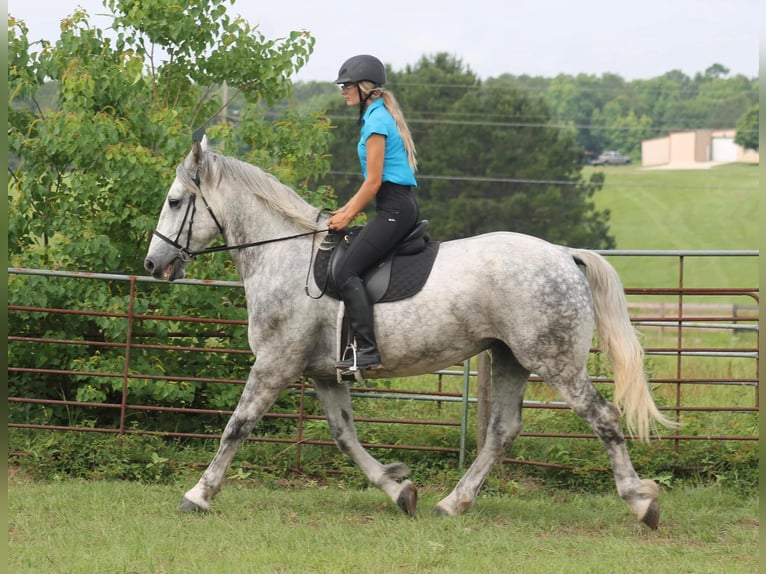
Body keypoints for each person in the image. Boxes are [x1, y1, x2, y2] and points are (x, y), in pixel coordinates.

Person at [327, 54, 420, 371]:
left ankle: (366, 350)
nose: (343, 91)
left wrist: (348, 215)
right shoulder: (375, 116)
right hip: (393, 204)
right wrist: (344, 209)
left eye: (347, 85)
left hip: (394, 207)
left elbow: (373, 182)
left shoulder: (377, 122)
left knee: (346, 272)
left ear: (365, 88)